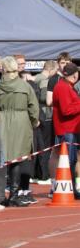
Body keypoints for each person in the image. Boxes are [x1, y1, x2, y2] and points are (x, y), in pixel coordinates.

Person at [0, 55, 39, 207]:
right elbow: (34, 108)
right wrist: (32, 122)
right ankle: (14, 194)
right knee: (17, 159)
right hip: (20, 121)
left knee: (2, 158)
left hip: (1, 121)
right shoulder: (25, 86)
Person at [51, 62, 80, 197]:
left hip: (70, 129)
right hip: (66, 129)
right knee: (69, 160)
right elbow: (66, 110)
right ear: (74, 75)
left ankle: (72, 189)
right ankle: (70, 190)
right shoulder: (63, 87)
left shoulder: (67, 86)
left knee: (72, 160)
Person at [32, 60, 57, 184]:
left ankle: (37, 174)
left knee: (38, 146)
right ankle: (43, 175)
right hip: (45, 116)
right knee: (45, 147)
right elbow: (44, 98)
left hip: (37, 116)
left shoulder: (34, 78)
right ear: (51, 69)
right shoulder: (44, 81)